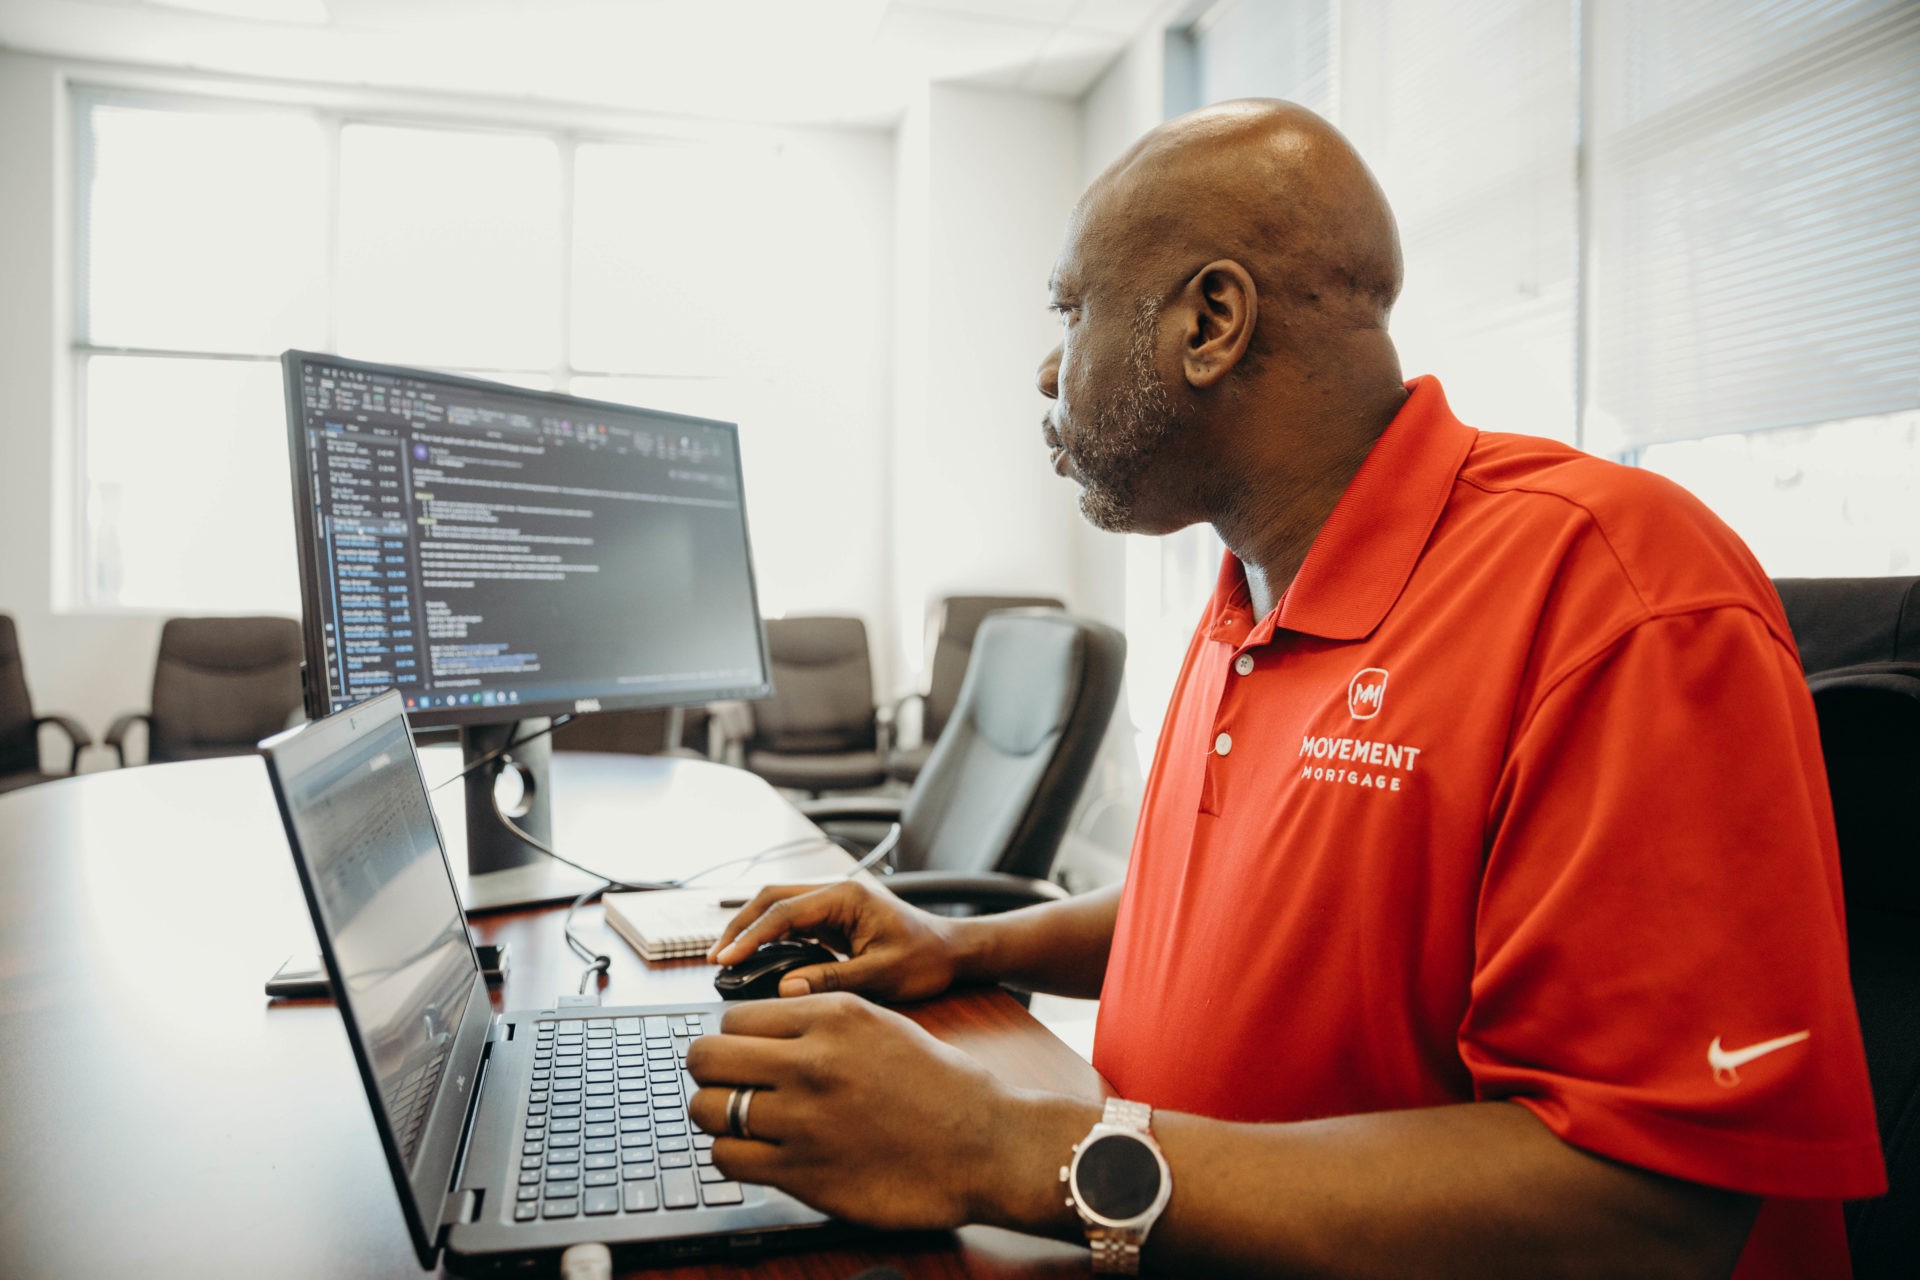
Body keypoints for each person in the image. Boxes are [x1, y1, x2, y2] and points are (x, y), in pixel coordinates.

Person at [684, 99, 1885, 1276]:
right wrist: (956, 943)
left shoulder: (1616, 590)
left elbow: (1654, 1215)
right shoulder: (1248, 594)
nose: (1048, 366)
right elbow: (1237, 916)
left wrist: (1015, 1149)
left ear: (1211, 320)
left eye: (1071, 309)